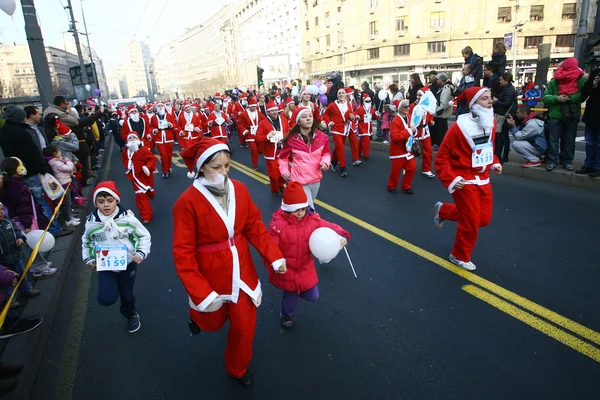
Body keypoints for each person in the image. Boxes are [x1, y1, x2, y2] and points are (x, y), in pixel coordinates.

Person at [173, 138, 287, 387]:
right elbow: (183, 252)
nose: (224, 171)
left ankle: (237, 367)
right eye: (216, 166)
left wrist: (274, 255)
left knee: (244, 327)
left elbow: (254, 226)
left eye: (227, 165)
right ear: (202, 167)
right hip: (210, 271)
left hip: (241, 269)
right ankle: (197, 313)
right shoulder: (187, 202)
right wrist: (200, 292)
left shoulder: (240, 189)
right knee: (212, 321)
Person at [433, 87, 502, 271]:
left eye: (490, 98)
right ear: (473, 105)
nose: (490, 101)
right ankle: (458, 255)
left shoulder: (492, 123)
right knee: (471, 221)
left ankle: (444, 210)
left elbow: (488, 148)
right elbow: (441, 158)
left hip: (483, 179)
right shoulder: (458, 128)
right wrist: (452, 179)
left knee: (484, 219)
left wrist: (494, 163)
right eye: (484, 99)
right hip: (464, 182)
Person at [265, 181, 349, 329]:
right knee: (289, 297)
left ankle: (293, 295)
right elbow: (269, 249)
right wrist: (276, 263)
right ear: (287, 209)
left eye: (303, 209)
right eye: (296, 210)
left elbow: (330, 227)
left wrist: (341, 235)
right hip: (288, 270)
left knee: (313, 296)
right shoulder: (278, 226)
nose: (300, 213)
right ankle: (285, 316)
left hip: (305, 267)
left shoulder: (312, 220)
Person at [81, 181, 151, 334]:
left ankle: (131, 314)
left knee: (127, 294)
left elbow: (143, 235)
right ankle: (112, 287)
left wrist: (140, 252)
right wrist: (89, 259)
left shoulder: (128, 219)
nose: (106, 205)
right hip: (105, 266)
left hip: (127, 265)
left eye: (110, 201)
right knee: (105, 299)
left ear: (116, 201)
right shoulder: (91, 223)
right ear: (96, 203)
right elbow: (86, 241)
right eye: (101, 202)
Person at [0, 106, 72, 237]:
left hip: (15, 170)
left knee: (29, 203)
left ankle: (41, 227)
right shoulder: (22, 132)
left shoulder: (4, 131)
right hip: (31, 171)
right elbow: (32, 153)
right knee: (41, 201)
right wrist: (42, 168)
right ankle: (54, 228)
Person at [0, 159, 56, 278]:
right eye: (20, 164)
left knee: (31, 243)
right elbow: (23, 206)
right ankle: (39, 267)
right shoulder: (17, 185)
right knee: (32, 244)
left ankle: (40, 264)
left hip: (19, 219)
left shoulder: (8, 184)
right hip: (25, 220)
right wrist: (26, 224)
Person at [279, 107, 331, 209]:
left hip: (316, 180)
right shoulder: (292, 139)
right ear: (298, 122)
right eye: (304, 117)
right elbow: (282, 158)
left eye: (310, 116)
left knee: (304, 212)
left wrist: (325, 162)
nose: (308, 119)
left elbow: (326, 153)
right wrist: (284, 170)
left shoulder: (322, 137)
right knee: (309, 210)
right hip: (299, 182)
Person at [542, 59, 586, 171]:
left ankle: (567, 161)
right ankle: (552, 161)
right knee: (553, 140)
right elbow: (545, 97)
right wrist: (557, 98)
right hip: (556, 115)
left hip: (572, 114)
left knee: (569, 139)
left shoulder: (580, 80)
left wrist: (571, 98)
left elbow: (583, 94)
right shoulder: (554, 82)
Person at [0, 202, 40, 299]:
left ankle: (27, 289)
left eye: (1, 210)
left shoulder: (8, 222)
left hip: (16, 255)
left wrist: (21, 238)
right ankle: (10, 299)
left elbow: (18, 232)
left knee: (22, 274)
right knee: (7, 281)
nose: (1, 212)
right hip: (3, 260)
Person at [256, 100, 290, 197]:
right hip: (271, 152)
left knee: (284, 172)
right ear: (268, 112)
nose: (275, 112)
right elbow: (258, 138)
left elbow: (288, 131)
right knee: (273, 174)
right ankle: (275, 190)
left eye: (276, 110)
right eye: (272, 111)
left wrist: (287, 138)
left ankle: (280, 184)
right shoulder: (263, 123)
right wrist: (267, 136)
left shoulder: (283, 119)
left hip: (283, 151)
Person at [122, 134, 157, 224]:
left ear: (138, 139)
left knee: (146, 192)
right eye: (130, 138)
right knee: (140, 196)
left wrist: (147, 167)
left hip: (145, 176)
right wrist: (128, 163)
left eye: (134, 137)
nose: (132, 139)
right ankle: (146, 216)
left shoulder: (143, 150)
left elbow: (153, 159)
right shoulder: (126, 152)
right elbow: (124, 160)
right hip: (134, 177)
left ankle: (151, 193)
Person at [43, 145, 78, 227]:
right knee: (67, 202)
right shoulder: (56, 163)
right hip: (63, 183)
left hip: (66, 181)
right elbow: (68, 168)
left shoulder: (56, 161)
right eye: (59, 151)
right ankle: (68, 220)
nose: (60, 153)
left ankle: (70, 217)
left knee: (68, 201)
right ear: (54, 154)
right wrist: (68, 161)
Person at [324, 87, 355, 177]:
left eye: (343, 93)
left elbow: (349, 115)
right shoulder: (332, 105)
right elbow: (325, 115)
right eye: (339, 93)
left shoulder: (348, 105)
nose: (341, 94)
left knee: (338, 147)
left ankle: (333, 162)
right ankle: (342, 168)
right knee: (341, 148)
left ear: (345, 95)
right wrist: (329, 122)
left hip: (345, 129)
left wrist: (352, 117)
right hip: (336, 129)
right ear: (337, 95)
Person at [387, 100, 416, 194]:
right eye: (405, 107)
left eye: (408, 106)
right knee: (396, 171)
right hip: (397, 150)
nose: (408, 108)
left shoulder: (409, 117)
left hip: (407, 149)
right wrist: (409, 131)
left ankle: (406, 186)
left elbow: (413, 130)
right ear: (400, 108)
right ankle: (391, 186)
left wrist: (414, 131)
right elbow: (394, 137)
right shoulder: (396, 120)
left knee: (412, 167)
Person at [577, 68, 600, 177]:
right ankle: (588, 165)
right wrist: (593, 84)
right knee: (590, 142)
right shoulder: (596, 72)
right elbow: (584, 92)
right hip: (592, 113)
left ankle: (597, 166)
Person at [409, 89, 435, 178]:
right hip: (415, 131)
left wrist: (431, 120)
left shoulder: (427, 106)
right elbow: (409, 117)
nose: (418, 97)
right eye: (417, 95)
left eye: (420, 95)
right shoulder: (413, 106)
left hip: (425, 132)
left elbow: (430, 115)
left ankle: (426, 169)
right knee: (410, 150)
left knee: (428, 151)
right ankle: (407, 167)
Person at [493, 73, 518, 162]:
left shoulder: (509, 90)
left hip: (505, 115)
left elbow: (506, 104)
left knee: (503, 136)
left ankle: (503, 155)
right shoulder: (508, 89)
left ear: (506, 80)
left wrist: (497, 101)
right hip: (505, 115)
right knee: (502, 136)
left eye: (501, 80)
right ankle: (501, 154)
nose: (500, 82)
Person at [240, 97, 265, 170]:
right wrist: (244, 130)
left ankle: (257, 152)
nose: (254, 108)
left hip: (258, 133)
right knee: (254, 150)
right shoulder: (244, 114)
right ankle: (255, 166)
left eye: (255, 106)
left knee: (260, 150)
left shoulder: (258, 113)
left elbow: (264, 120)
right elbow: (240, 124)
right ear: (249, 106)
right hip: (249, 134)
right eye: (252, 106)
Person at [153, 103, 177, 178]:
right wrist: (154, 130)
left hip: (168, 138)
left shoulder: (168, 115)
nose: (160, 107)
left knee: (169, 155)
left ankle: (169, 168)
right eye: (159, 106)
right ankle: (165, 171)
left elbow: (174, 124)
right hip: (159, 138)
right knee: (163, 155)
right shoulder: (154, 117)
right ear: (157, 108)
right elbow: (150, 127)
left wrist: (171, 124)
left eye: (161, 106)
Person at [433, 73, 454, 149]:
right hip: (440, 114)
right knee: (440, 132)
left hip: (442, 115)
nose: (437, 81)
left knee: (442, 133)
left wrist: (437, 112)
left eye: (438, 79)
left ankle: (443, 147)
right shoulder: (443, 88)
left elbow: (444, 103)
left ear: (441, 79)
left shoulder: (446, 89)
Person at [355, 94, 378, 161]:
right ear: (364, 101)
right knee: (366, 139)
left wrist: (376, 115)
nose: (368, 102)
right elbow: (355, 115)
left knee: (362, 141)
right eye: (367, 101)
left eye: (369, 101)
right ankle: (366, 155)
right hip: (362, 126)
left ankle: (357, 153)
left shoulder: (371, 109)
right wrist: (356, 117)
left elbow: (374, 117)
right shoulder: (360, 109)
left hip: (368, 127)